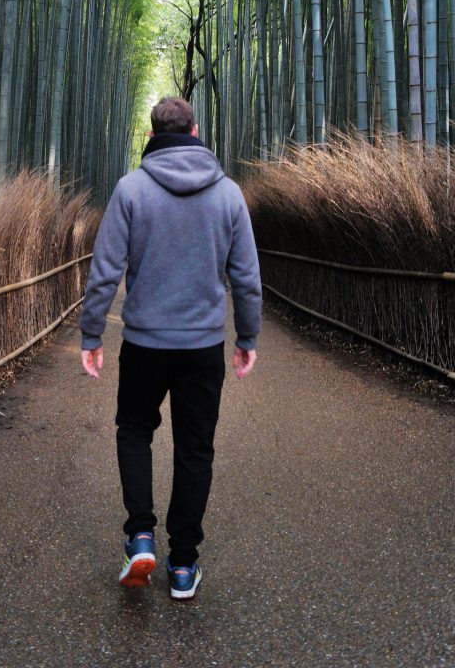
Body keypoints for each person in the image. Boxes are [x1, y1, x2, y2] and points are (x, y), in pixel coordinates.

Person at [79, 96, 262, 600]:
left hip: (143, 342)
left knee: (134, 432)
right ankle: (183, 565)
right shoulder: (227, 194)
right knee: (195, 449)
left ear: (152, 134)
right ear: (196, 130)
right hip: (202, 347)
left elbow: (105, 272)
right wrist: (247, 338)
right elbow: (246, 279)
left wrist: (91, 335)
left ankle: (140, 534)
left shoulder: (131, 189)